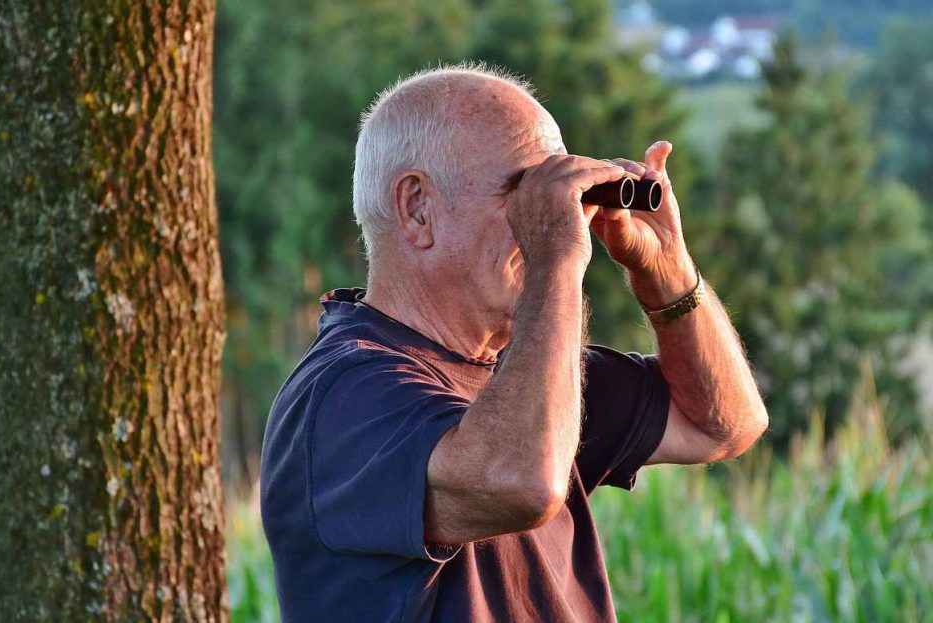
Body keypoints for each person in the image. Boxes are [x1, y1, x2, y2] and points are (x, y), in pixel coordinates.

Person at [260, 63, 769, 622]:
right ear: (418, 208)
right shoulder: (343, 395)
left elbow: (722, 425)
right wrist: (555, 259)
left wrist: (665, 267)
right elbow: (520, 483)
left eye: (558, 195)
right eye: (526, 193)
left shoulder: (526, 375)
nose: (556, 217)